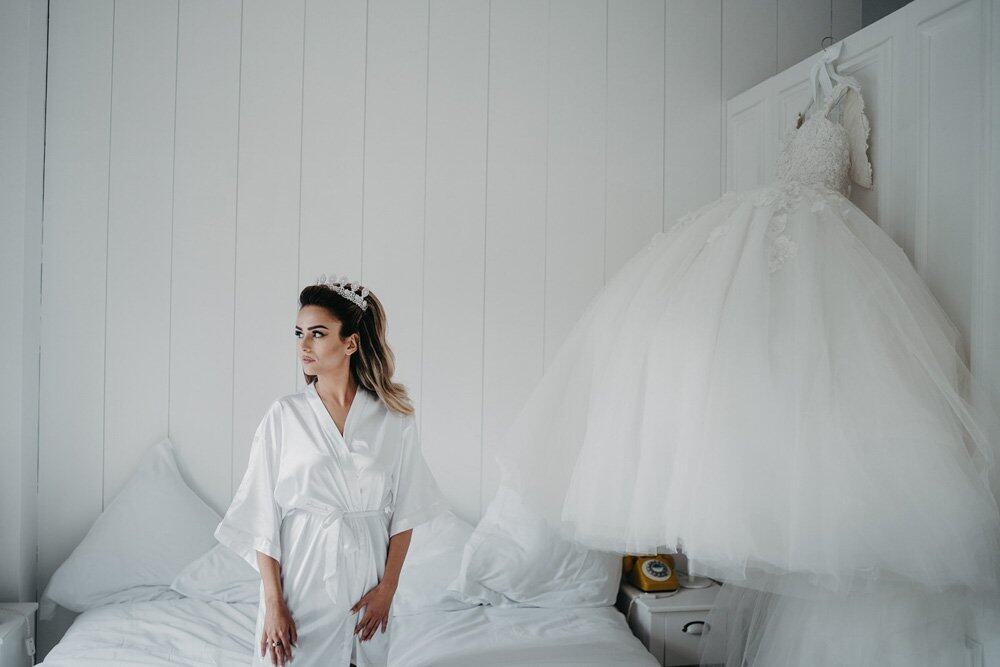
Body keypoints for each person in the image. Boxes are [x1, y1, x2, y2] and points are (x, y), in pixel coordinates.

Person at [488, 56, 1000, 664]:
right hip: (778, 229)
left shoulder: (846, 103)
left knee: (815, 370)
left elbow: (857, 169)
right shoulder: (810, 108)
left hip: (818, 233)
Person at [214, 275, 449, 667]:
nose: (303, 345)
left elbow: (406, 510)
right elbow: (261, 516)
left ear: (350, 342)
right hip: (302, 582)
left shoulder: (392, 417)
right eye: (299, 333)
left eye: (318, 333)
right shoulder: (285, 415)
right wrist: (274, 604)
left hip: (368, 582)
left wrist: (387, 589)